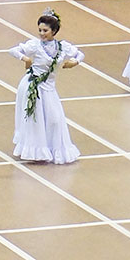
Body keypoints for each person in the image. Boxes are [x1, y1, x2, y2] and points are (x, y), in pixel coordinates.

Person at [8, 9, 82, 164]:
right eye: (40, 30)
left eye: (45, 30)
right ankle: (35, 151)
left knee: (54, 119)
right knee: (36, 120)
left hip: (49, 88)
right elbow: (13, 50)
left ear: (54, 31)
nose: (42, 33)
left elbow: (79, 54)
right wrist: (26, 59)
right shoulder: (35, 45)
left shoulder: (63, 47)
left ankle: (51, 148)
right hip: (33, 86)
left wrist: (74, 62)